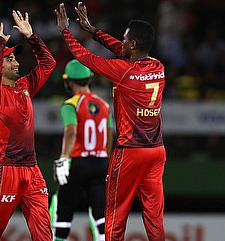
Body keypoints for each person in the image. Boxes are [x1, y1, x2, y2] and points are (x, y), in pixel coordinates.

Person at [56, 3, 166, 241]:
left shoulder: (122, 71)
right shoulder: (159, 67)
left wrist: (66, 31)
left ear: (133, 45)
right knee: (155, 217)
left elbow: (85, 57)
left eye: (125, 40)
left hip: (130, 153)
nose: (122, 43)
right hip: (157, 151)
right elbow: (121, 50)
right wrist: (93, 31)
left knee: (116, 213)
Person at [0, 10, 56, 241]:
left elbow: (48, 64)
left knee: (44, 234)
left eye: (15, 58)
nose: (16, 62)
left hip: (31, 169)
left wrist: (32, 37)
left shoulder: (24, 86)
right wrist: (0, 42)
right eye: (9, 59)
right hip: (5, 168)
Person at [49, 59, 114, 241]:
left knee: (62, 215)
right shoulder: (104, 105)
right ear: (90, 78)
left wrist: (64, 158)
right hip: (100, 162)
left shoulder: (71, 104)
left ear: (68, 81)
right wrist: (104, 157)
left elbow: (71, 132)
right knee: (101, 219)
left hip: (78, 163)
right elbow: (109, 136)